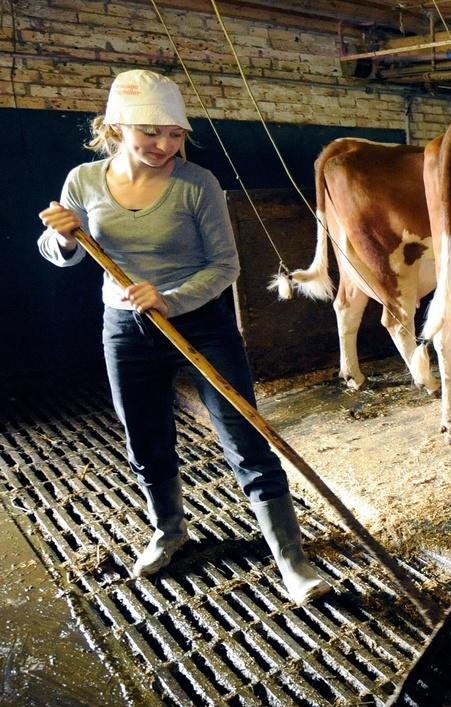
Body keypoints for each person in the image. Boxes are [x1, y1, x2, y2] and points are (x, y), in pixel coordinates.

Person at [37, 69, 330, 604]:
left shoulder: (198, 184)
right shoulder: (82, 181)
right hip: (124, 327)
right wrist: (59, 238)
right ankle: (170, 532)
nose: (164, 145)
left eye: (174, 134)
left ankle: (291, 558)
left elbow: (224, 266)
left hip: (201, 323)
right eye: (151, 132)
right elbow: (62, 254)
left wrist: (168, 299)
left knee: (246, 438)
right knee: (145, 438)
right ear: (118, 126)